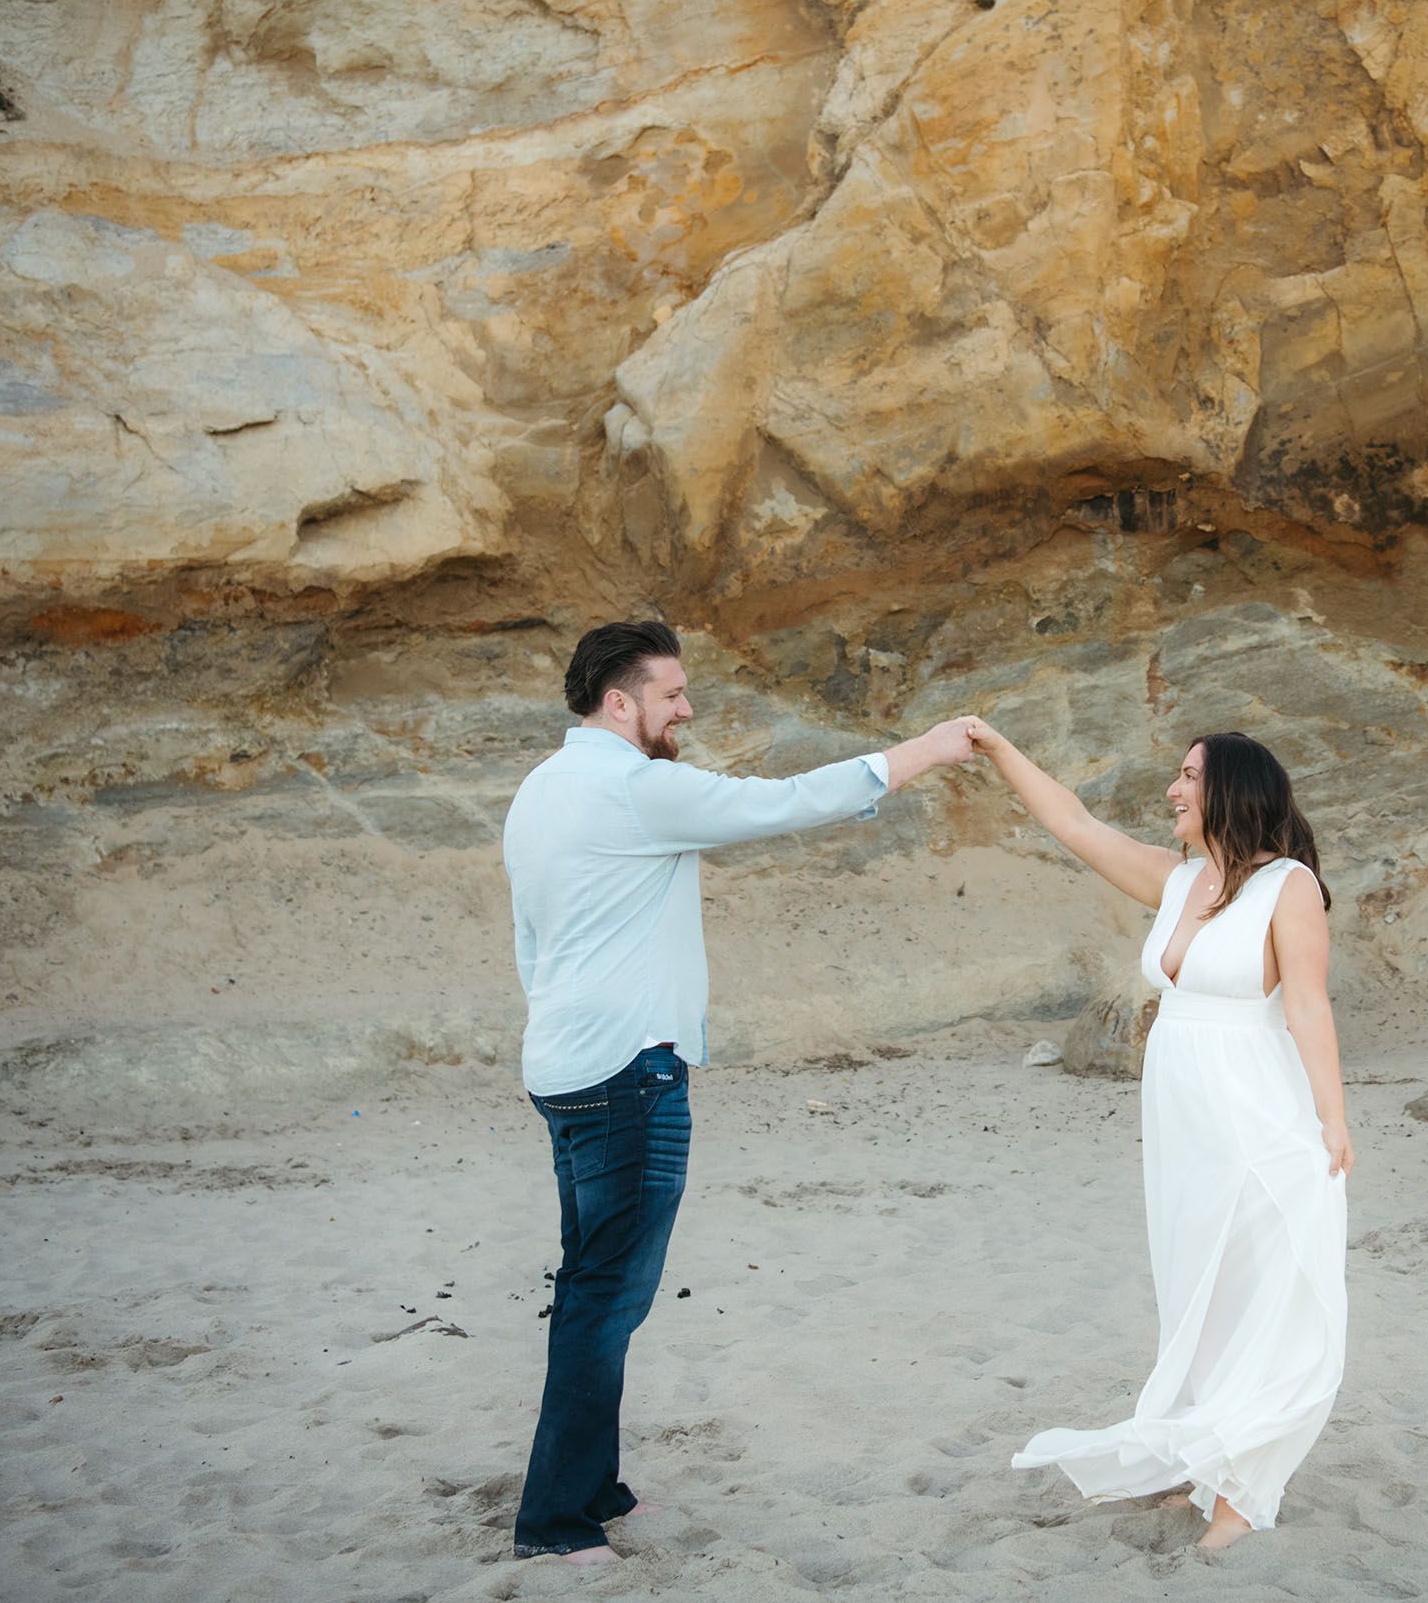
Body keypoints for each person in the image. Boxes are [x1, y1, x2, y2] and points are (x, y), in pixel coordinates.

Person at [500, 618, 977, 1564]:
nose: (688, 708)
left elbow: (532, 942)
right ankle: (555, 1522)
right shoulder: (638, 788)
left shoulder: (538, 791)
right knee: (604, 1298)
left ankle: (592, 1487)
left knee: (592, 1285)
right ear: (619, 702)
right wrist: (929, 749)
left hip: (563, 1066)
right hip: (628, 1073)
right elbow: (784, 803)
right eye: (672, 694)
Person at [979, 722, 1351, 1550]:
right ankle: (1205, 1460)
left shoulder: (1288, 886)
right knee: (1201, 1292)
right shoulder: (1177, 879)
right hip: (1185, 1126)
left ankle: (1242, 1492)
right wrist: (1002, 749)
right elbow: (1073, 824)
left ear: (1231, 791)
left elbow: (1308, 1005)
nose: (1174, 790)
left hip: (1257, 1114)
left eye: (1189, 777)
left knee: (1265, 1291)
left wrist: (1332, 1119)